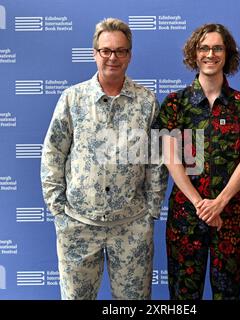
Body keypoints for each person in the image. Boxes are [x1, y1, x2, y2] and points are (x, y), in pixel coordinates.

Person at [41, 17, 167, 300]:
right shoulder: (72, 99)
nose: (113, 57)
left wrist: (151, 210)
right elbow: (53, 152)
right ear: (94, 53)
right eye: (106, 50)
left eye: (120, 51)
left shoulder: (146, 102)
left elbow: (156, 159)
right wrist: (58, 209)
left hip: (132, 227)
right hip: (78, 225)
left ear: (130, 55)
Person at [154, 23, 240, 300]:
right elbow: (171, 159)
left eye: (217, 48)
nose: (210, 54)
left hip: (229, 215)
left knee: (227, 293)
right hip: (186, 214)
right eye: (203, 47)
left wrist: (219, 203)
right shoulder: (174, 104)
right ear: (193, 54)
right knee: (183, 297)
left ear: (227, 54)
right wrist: (200, 204)